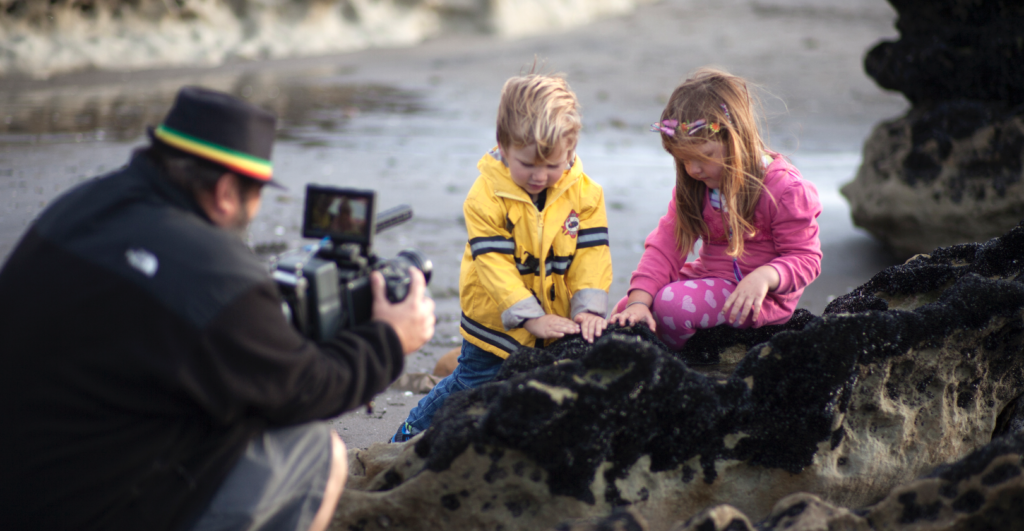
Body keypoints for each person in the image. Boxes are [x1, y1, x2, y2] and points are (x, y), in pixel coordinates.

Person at [0, 86, 435, 531]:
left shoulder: (77, 208)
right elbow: (308, 390)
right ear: (227, 191)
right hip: (92, 511)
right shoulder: (213, 273)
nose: (257, 206)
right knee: (315, 452)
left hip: (20, 482)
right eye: (257, 192)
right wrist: (388, 338)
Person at [391, 72, 612, 442]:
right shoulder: (486, 196)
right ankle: (411, 431)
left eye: (553, 166)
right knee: (472, 384)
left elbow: (591, 253)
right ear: (503, 147)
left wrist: (587, 307)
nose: (540, 176)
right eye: (527, 165)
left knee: (539, 388)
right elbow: (493, 265)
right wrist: (529, 317)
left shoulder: (586, 195)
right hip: (495, 321)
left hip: (554, 318)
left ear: (571, 151)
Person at [609, 68, 822, 349]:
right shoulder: (698, 187)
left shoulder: (784, 190)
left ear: (736, 139)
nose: (693, 169)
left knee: (672, 305)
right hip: (709, 278)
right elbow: (665, 246)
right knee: (628, 309)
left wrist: (764, 277)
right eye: (684, 160)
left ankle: (684, 365)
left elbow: (806, 258)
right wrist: (637, 302)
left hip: (759, 296)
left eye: (704, 157)